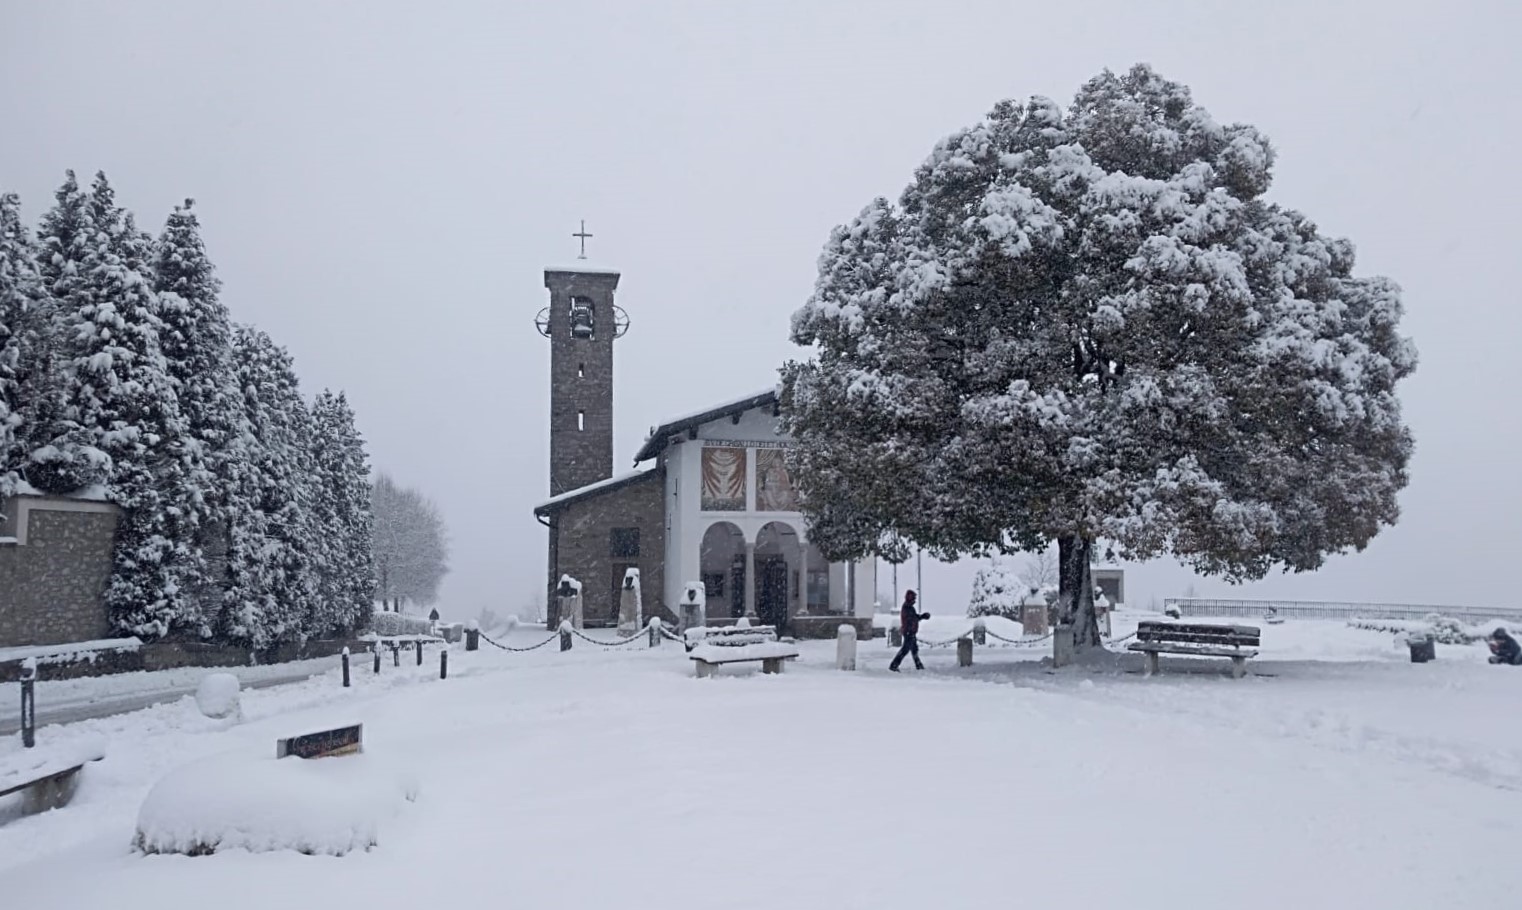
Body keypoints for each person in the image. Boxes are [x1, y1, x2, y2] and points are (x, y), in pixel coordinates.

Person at [889, 590, 931, 672]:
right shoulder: (907, 607)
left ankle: (918, 664)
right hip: (908, 632)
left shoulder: (909, 607)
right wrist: (922, 617)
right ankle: (894, 665)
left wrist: (922, 616)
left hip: (911, 632)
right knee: (905, 650)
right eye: (913, 598)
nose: (914, 600)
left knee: (914, 649)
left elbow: (914, 618)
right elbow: (912, 619)